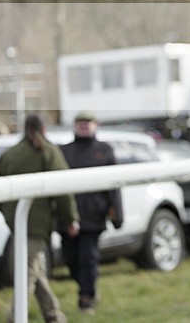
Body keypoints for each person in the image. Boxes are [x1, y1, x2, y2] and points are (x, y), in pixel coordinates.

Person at [0, 114, 80, 323]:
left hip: (17, 223)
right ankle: (16, 318)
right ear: (44, 129)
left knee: (34, 269)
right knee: (28, 273)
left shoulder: (10, 154)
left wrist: (8, 213)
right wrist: (70, 219)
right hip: (36, 225)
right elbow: (63, 188)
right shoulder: (48, 152)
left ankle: (54, 315)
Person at [59, 112, 123, 314]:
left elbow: (115, 185)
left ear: (96, 125)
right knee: (70, 260)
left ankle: (86, 299)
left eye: (87, 123)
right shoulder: (63, 151)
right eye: (80, 123)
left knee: (88, 259)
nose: (84, 126)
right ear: (74, 126)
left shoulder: (104, 150)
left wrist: (117, 215)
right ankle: (88, 289)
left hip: (93, 217)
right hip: (67, 218)